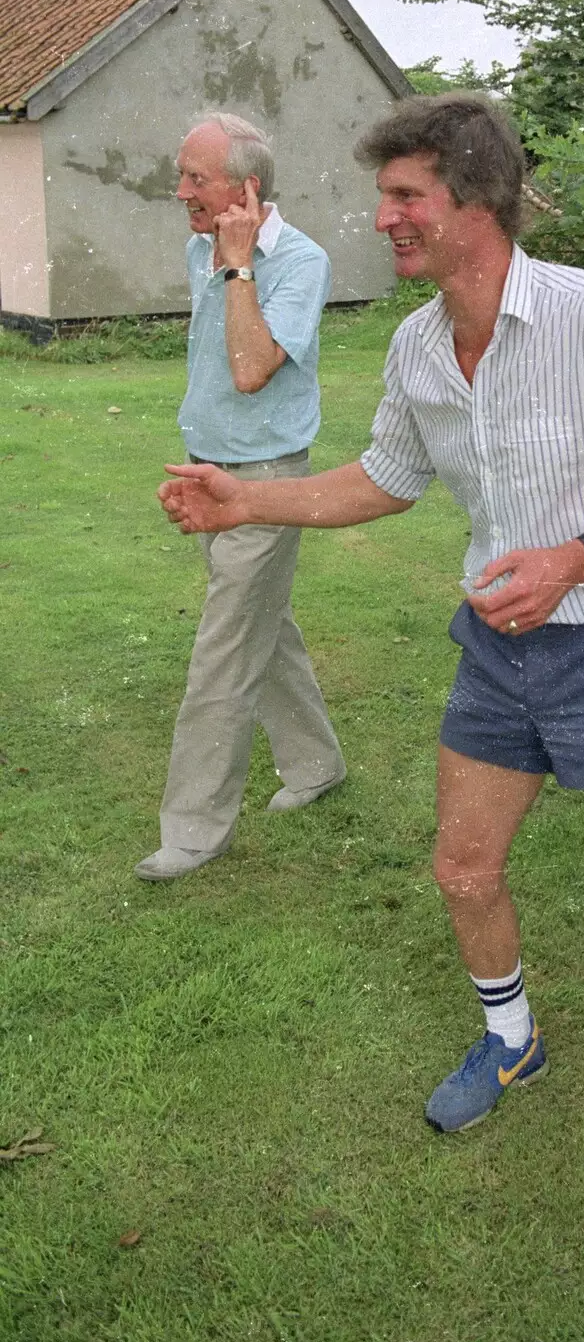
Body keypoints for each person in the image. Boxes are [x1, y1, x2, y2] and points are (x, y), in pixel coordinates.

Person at [157, 93, 584, 1161]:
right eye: (385, 197)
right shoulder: (419, 346)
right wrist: (248, 499)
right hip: (495, 650)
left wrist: (575, 558)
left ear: (475, 201)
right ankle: (510, 1038)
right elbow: (385, 478)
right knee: (462, 871)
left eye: (406, 196)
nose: (384, 218)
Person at [134, 114, 345, 881]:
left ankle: (194, 829)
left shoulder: (299, 260)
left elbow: (253, 367)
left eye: (196, 178)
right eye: (182, 174)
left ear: (245, 188)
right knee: (262, 623)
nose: (181, 191)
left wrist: (241, 266)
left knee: (223, 650)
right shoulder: (203, 246)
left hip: (265, 479)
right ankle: (316, 763)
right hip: (207, 469)